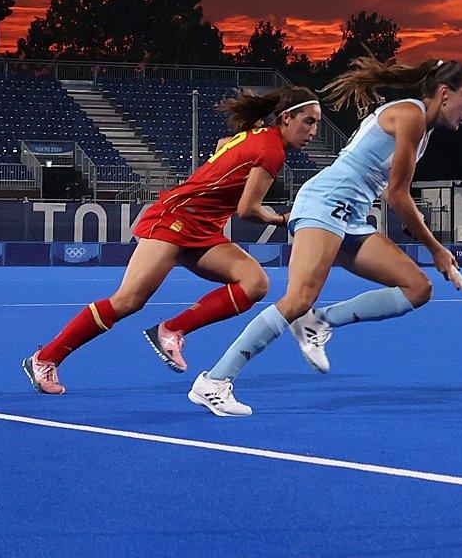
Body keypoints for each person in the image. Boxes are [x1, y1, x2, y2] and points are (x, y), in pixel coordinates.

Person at [190, 59, 462, 417]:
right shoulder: (412, 117)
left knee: (417, 288)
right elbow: (398, 195)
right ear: (445, 93)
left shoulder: (421, 127)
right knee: (297, 299)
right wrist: (436, 249)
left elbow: (393, 192)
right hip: (325, 203)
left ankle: (320, 321)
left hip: (351, 216)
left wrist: (420, 235)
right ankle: (214, 382)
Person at [22, 85, 320, 394]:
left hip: (201, 228)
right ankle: (45, 358)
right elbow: (248, 209)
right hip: (174, 220)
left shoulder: (257, 135)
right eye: (308, 121)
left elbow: (223, 144)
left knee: (255, 283)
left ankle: (173, 329)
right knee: (128, 301)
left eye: (316, 124)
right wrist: (286, 219)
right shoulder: (272, 151)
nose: (312, 131)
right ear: (286, 119)